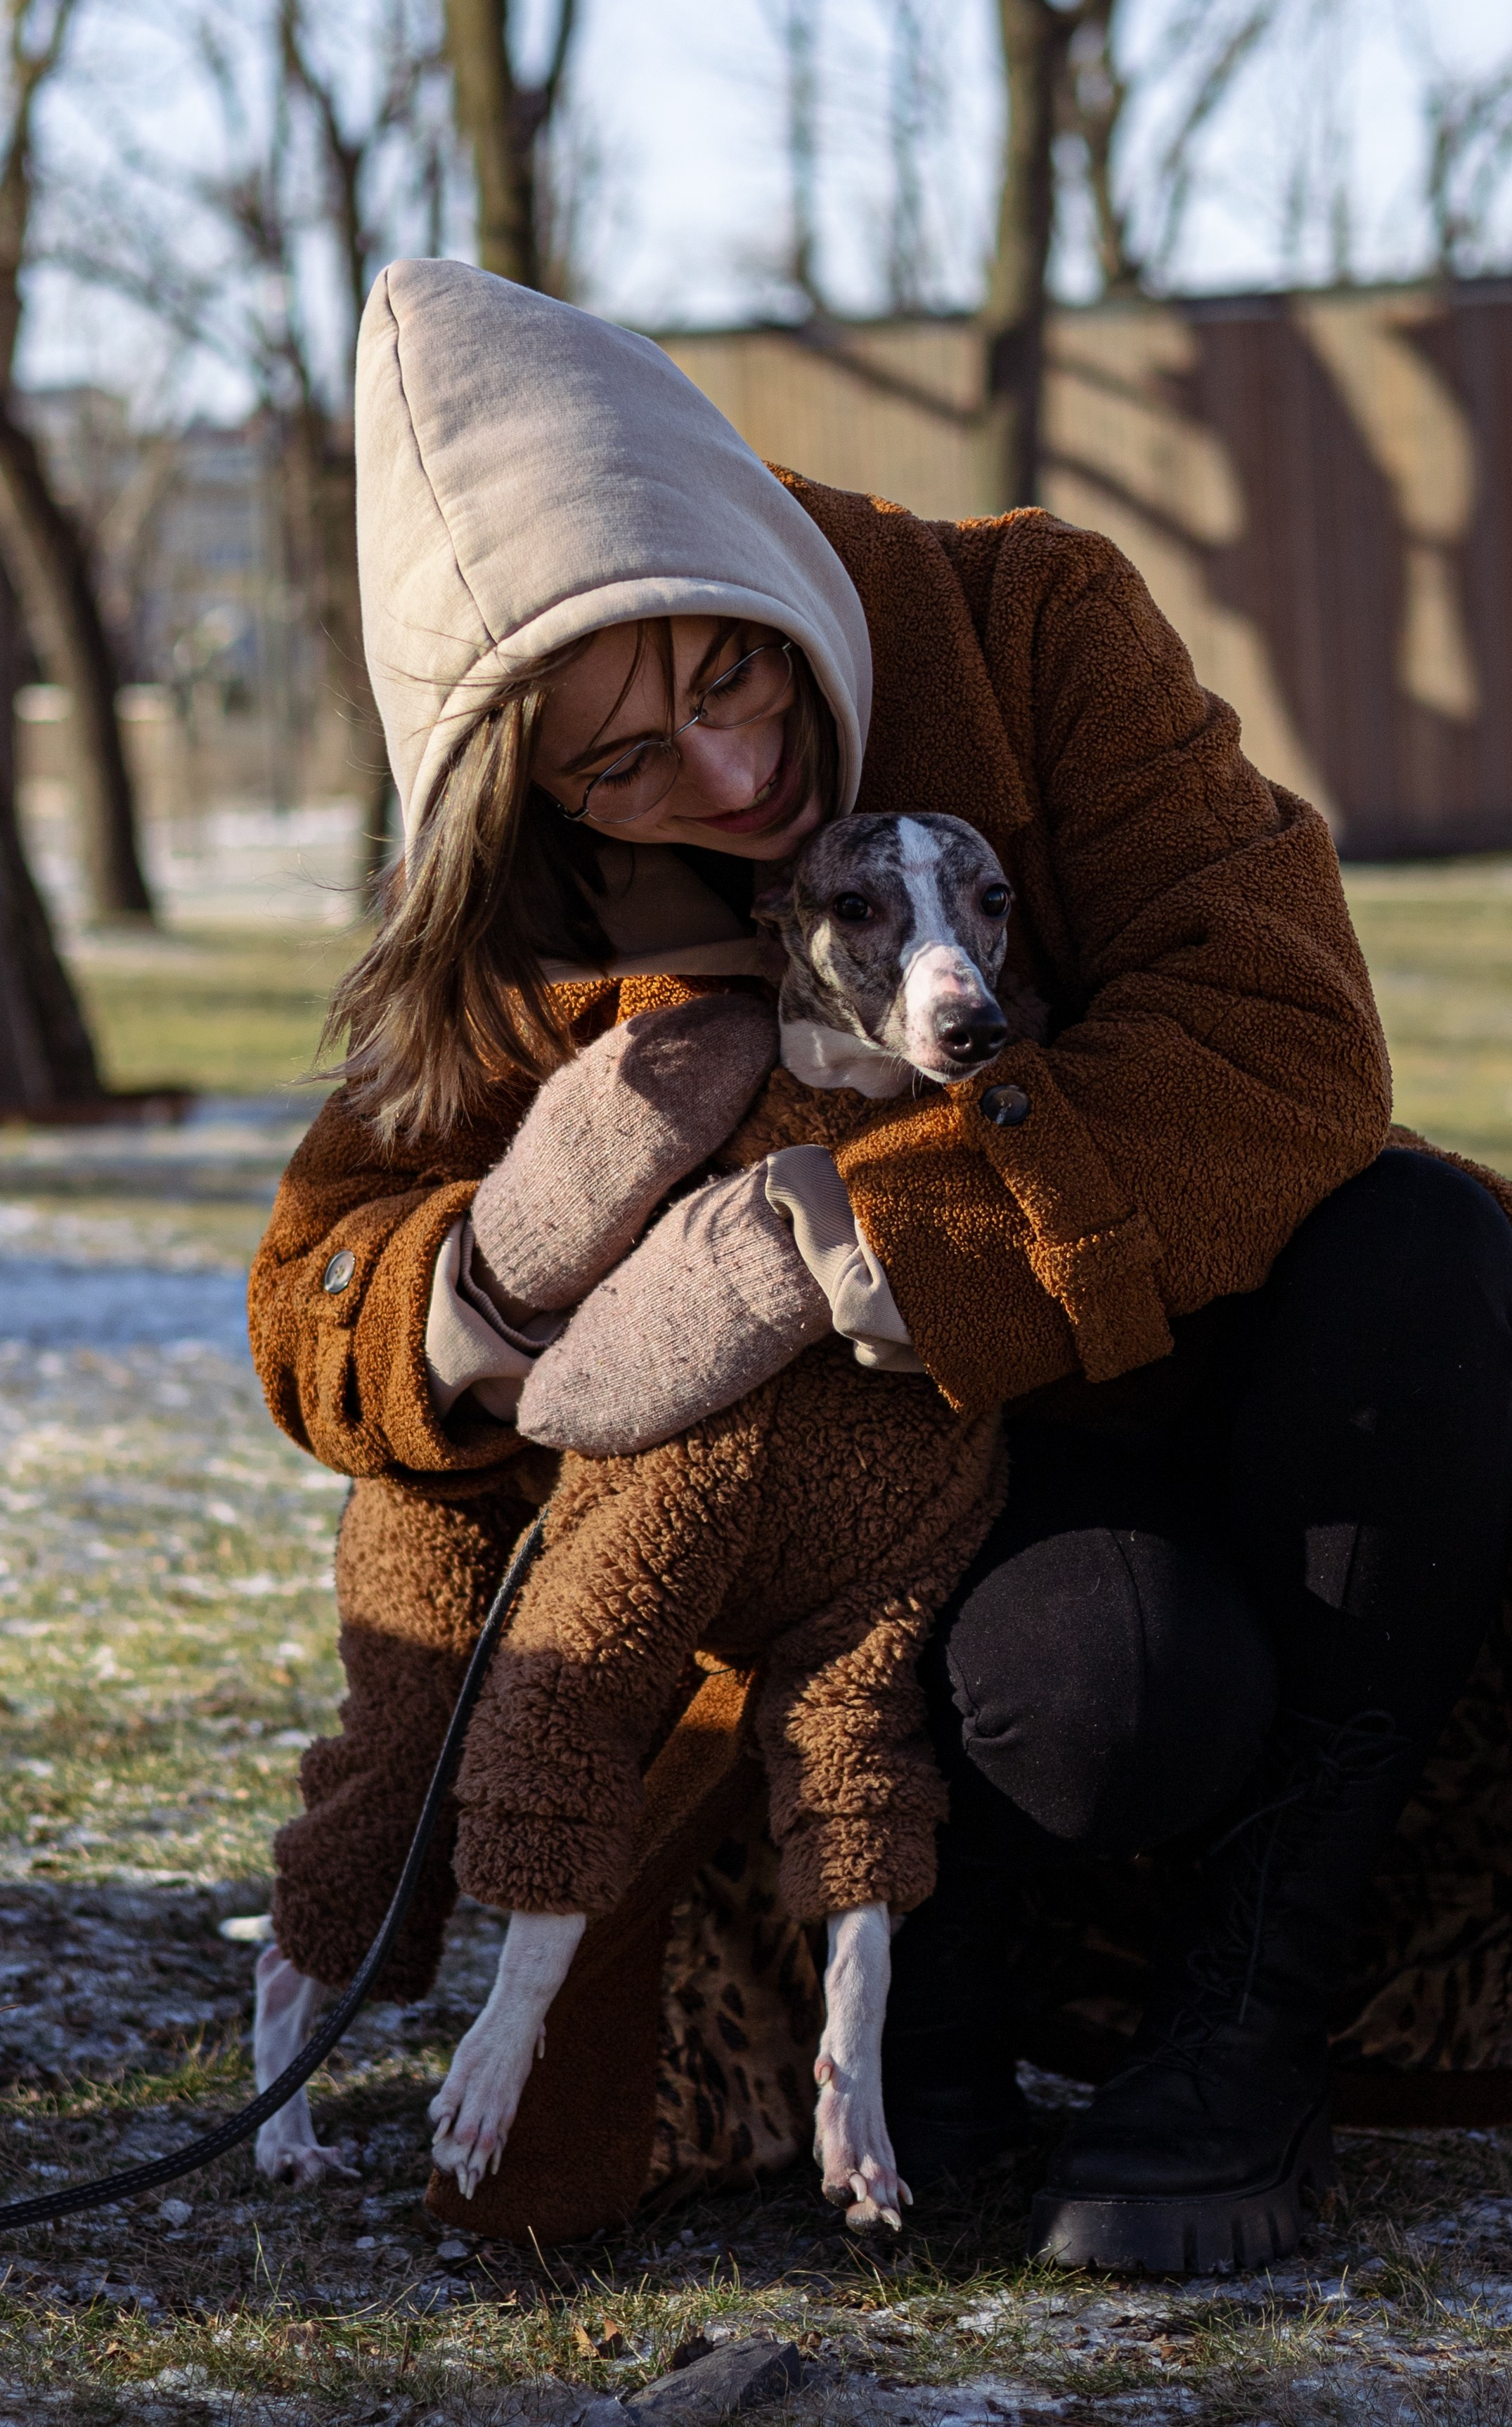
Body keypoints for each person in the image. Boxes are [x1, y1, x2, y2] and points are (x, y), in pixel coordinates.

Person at [249, 257, 1512, 2271]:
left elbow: (1289, 1045)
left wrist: (839, 1234)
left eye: (726, 676)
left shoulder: (1032, 617)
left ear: (753, 552)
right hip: (894, 1535)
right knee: (1107, 1696)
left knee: (1430, 1247)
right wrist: (486, 1287)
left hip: (1206, 1394)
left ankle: (1255, 2007)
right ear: (523, 791)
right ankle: (961, 2002)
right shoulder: (524, 896)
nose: (733, 778)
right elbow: (323, 1283)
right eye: (626, 762)